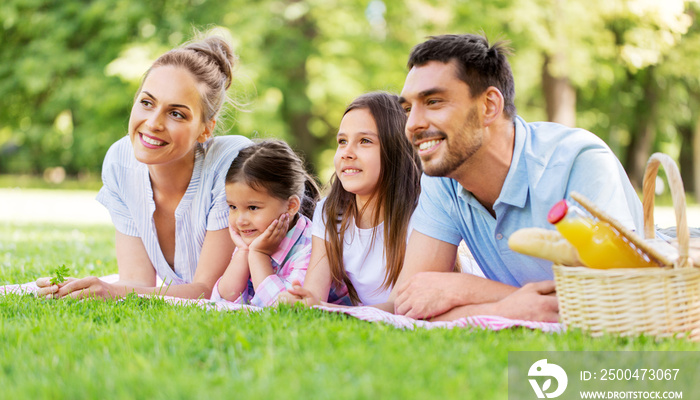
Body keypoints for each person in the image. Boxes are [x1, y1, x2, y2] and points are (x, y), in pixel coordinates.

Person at [389, 34, 644, 322]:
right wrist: (503, 308)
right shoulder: (442, 178)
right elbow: (409, 304)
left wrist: (465, 289)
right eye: (408, 109)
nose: (412, 124)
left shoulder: (578, 161)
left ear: (489, 106)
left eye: (433, 101)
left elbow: (612, 300)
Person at [36, 32, 251, 300]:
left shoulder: (231, 163)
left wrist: (111, 291)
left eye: (176, 114)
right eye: (147, 103)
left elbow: (209, 292)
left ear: (206, 129)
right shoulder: (120, 162)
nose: (153, 123)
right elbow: (137, 282)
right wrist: (95, 291)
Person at [279, 91, 423, 307]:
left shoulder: (421, 214)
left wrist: (326, 309)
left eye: (365, 141)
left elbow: (401, 306)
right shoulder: (329, 212)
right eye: (342, 141)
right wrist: (300, 300)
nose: (347, 152)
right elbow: (314, 295)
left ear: (396, 149)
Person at [212, 139, 345, 307]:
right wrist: (244, 252)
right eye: (233, 207)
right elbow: (220, 303)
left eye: (253, 207)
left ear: (291, 206)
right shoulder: (252, 238)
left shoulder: (311, 247)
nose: (240, 220)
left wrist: (259, 255)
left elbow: (285, 309)